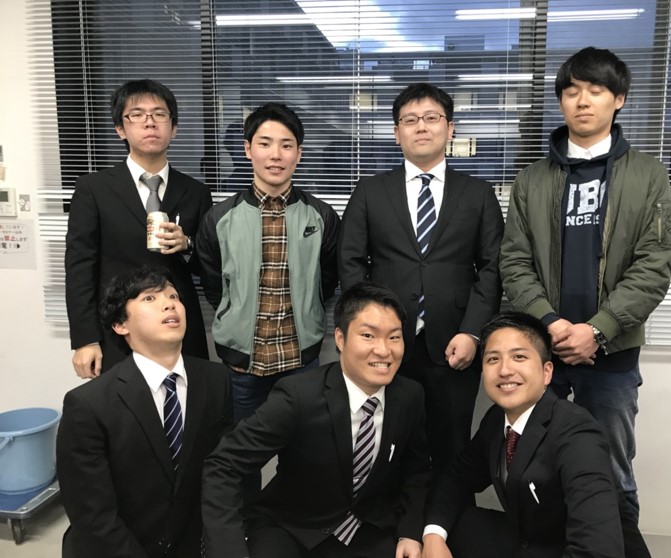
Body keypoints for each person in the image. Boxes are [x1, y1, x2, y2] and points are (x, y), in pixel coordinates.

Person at [499, 47, 671, 557]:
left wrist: (597, 329)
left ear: (618, 99)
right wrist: (552, 324)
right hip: (544, 352)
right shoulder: (532, 180)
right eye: (572, 91)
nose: (582, 101)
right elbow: (514, 262)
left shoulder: (647, 175)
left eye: (596, 90)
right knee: (535, 463)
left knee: (611, 469)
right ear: (560, 101)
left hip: (612, 354)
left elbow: (654, 264)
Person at [338, 83, 504, 472]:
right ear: (397, 133)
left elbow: (492, 268)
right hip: (387, 346)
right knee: (386, 445)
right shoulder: (370, 191)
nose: (422, 127)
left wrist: (473, 333)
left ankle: (446, 511)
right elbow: (350, 262)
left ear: (450, 128)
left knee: (451, 448)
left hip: (454, 343)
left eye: (432, 118)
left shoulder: (478, 194)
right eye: (410, 120)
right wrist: (370, 331)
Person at [201, 282, 431, 558]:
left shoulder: (410, 396)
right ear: (340, 338)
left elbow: (417, 470)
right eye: (368, 335)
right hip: (292, 527)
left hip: (367, 529)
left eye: (394, 337)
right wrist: (229, 550)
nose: (383, 350)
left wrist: (410, 532)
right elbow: (224, 465)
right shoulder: (299, 396)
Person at [57, 267, 233, 558]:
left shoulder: (216, 380)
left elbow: (223, 472)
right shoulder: (88, 404)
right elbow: (92, 515)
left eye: (173, 296)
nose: (169, 304)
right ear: (120, 325)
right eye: (149, 298)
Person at [422, 312, 624, 558]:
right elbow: (456, 478)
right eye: (493, 359)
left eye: (519, 357)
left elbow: (597, 549)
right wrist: (433, 536)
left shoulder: (577, 432)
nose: (505, 370)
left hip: (568, 548)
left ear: (547, 372)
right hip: (530, 540)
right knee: (453, 524)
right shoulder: (497, 419)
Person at [196, 101, 340, 422]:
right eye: (265, 144)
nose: (276, 155)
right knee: (242, 446)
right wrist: (234, 314)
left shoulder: (322, 216)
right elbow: (214, 285)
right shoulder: (219, 218)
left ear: (298, 154)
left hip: (300, 360)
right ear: (248, 149)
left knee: (303, 445)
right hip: (242, 364)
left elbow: (328, 281)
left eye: (286, 145)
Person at [65, 79, 212, 379]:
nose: (149, 122)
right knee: (125, 404)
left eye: (159, 114)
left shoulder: (196, 192)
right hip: (119, 328)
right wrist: (85, 339)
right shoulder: (94, 189)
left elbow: (209, 266)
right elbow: (80, 266)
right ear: (121, 128)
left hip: (178, 329)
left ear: (174, 128)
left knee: (189, 401)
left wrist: (187, 245)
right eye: (137, 114)